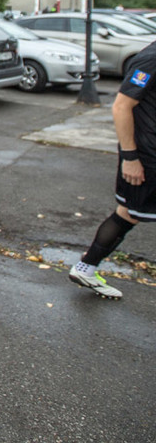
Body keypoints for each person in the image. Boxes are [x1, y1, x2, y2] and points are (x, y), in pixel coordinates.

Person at [69, 38, 156, 299]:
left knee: (127, 213)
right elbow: (121, 106)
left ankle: (86, 266)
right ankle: (86, 266)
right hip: (147, 156)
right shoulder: (150, 59)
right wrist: (130, 157)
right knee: (128, 212)